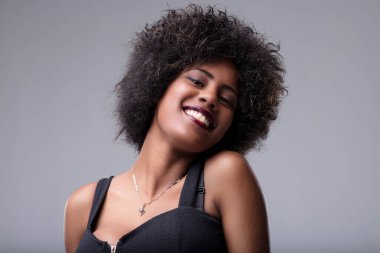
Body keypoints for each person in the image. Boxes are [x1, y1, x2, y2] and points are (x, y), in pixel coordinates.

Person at [64, 4, 286, 253]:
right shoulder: (83, 204)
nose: (210, 98)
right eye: (197, 81)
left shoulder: (225, 175)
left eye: (226, 100)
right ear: (158, 83)